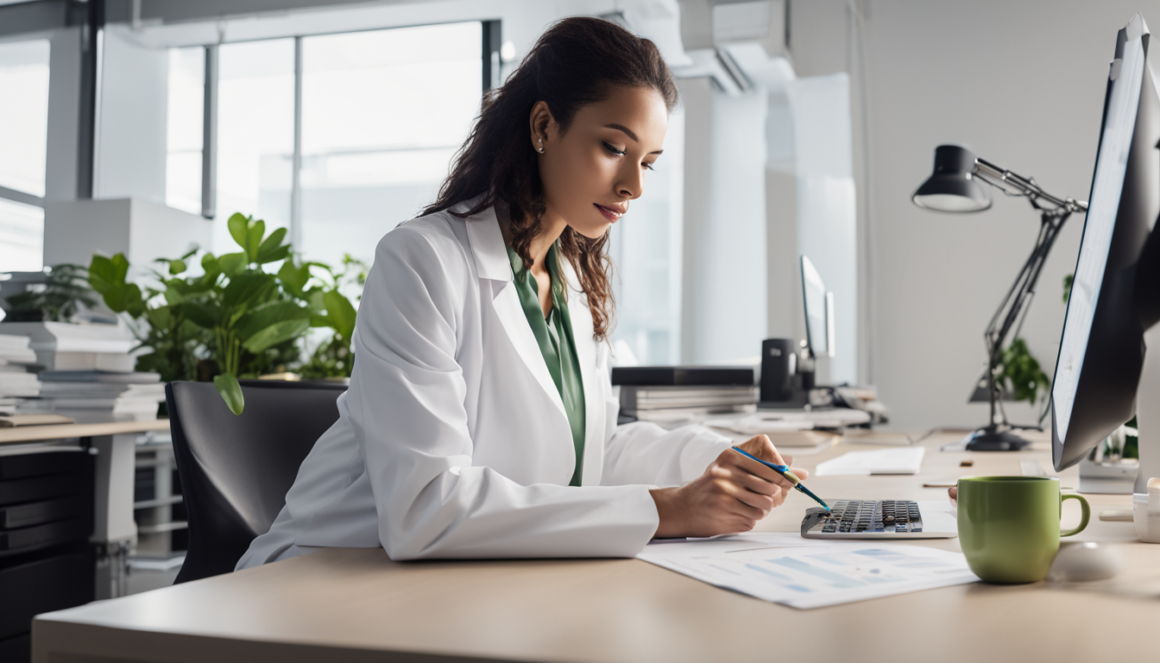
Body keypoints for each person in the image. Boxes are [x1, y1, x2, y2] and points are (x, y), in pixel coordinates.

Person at [237, 16, 806, 568]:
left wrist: (719, 460)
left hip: (471, 579)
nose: (632, 186)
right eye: (613, 147)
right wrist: (667, 510)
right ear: (543, 127)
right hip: (328, 575)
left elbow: (594, 456)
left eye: (647, 164)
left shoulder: (574, 283)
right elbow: (424, 508)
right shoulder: (422, 260)